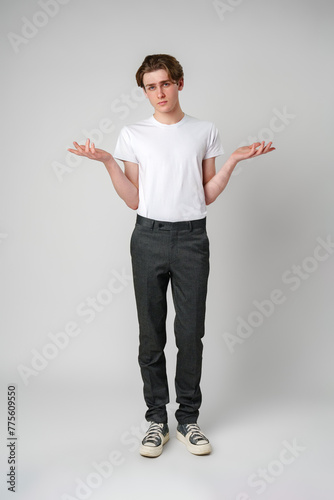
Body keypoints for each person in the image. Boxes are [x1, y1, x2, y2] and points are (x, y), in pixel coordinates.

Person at [67, 54, 275, 458]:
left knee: (190, 332)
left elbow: (206, 193)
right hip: (148, 237)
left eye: (165, 83)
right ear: (144, 91)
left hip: (193, 239)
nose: (159, 93)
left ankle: (188, 420)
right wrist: (109, 162)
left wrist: (232, 160)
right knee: (151, 333)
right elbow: (134, 199)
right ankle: (156, 420)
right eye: (150, 87)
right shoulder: (133, 134)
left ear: (179, 82)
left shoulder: (204, 131)